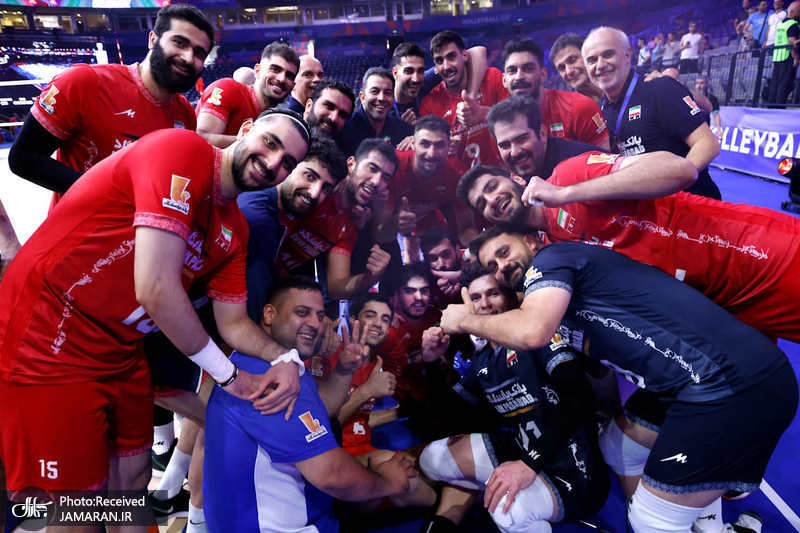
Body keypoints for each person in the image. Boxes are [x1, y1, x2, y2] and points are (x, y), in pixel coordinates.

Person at [0, 109, 311, 515]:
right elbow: (156, 289)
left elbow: (234, 323)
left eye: (287, 162)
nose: (272, 163)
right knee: (76, 503)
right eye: (270, 143)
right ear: (247, 130)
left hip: (120, 350)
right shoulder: (181, 151)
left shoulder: (235, 227)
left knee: (133, 478)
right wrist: (229, 376)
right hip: (51, 336)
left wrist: (286, 358)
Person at [444, 229, 796, 533]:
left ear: (532, 241)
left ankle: (670, 518)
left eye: (504, 252)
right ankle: (705, 523)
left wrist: (463, 320)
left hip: (728, 384)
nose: (502, 266)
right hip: (687, 382)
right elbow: (595, 369)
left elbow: (531, 331)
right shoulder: (552, 304)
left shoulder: (551, 260)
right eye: (492, 266)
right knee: (618, 446)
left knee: (650, 521)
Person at [456, 142, 800, 345]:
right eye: (481, 204)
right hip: (729, 304)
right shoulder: (552, 247)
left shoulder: (569, 174)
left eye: (492, 187)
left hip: (759, 254)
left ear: (514, 178)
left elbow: (679, 170)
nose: (492, 200)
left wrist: (566, 193)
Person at [203, 277, 417, 533]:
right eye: (302, 313)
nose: (315, 324)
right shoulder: (267, 378)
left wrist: (344, 370)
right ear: (269, 315)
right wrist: (388, 483)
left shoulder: (269, 362)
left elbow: (319, 410)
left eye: (320, 315)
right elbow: (333, 475)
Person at [419, 261, 609, 533]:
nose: (485, 304)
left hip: (575, 470)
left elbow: (580, 398)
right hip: (522, 452)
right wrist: (431, 363)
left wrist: (528, 465)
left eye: (493, 293)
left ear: (509, 296)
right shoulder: (483, 359)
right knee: (432, 458)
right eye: (476, 297)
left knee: (507, 511)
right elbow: (449, 414)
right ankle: (496, 499)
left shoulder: (536, 336)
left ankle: (521, 507)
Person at [8, 3, 211, 201]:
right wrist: (108, 196)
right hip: (83, 222)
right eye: (179, 43)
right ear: (153, 39)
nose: (188, 57)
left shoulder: (184, 113)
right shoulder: (84, 82)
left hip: (146, 224)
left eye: (199, 53)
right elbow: (23, 157)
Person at [582, 26, 722, 199]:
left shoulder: (659, 87)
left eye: (608, 54)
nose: (600, 65)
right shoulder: (602, 109)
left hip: (689, 205)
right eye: (592, 60)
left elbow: (708, 144)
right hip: (647, 209)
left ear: (627, 55)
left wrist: (672, 185)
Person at [421, 30, 509, 168]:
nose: (446, 66)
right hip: (462, 179)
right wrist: (445, 147)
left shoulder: (492, 77)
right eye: (439, 61)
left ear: (465, 55)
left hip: (504, 172)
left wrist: (483, 113)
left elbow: (516, 119)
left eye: (451, 57)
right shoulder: (429, 103)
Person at [502, 38, 609, 150]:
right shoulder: (501, 123)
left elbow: (606, 158)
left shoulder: (579, 107)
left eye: (528, 69)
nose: (519, 77)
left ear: (543, 74)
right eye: (512, 70)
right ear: (504, 80)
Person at [387, 115, 474, 251]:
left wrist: (475, 251)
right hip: (389, 233)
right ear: (413, 144)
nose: (432, 153)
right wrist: (392, 222)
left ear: (449, 146)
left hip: (431, 232)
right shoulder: (392, 166)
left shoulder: (457, 174)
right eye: (425, 144)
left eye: (439, 145)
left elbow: (467, 227)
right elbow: (373, 221)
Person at [196, 41, 299, 148]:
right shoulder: (228, 88)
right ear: (257, 71)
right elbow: (201, 138)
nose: (282, 79)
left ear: (293, 85)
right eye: (275, 69)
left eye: (289, 76)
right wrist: (256, 143)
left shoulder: (278, 119)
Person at [486, 95, 603, 182]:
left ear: (542, 133)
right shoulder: (518, 181)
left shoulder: (582, 164)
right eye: (505, 145)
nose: (514, 152)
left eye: (521, 139)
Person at [340, 67, 410, 156]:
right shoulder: (345, 129)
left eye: (387, 92)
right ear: (362, 97)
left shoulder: (399, 127)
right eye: (374, 91)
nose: (381, 98)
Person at [549, 33, 605, 105]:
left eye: (572, 61)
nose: (569, 71)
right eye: (562, 68)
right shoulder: (568, 105)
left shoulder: (615, 84)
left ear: (588, 56)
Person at [769, 1, 800, 105]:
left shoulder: (782, 23)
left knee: (775, 84)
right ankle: (779, 108)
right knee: (784, 85)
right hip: (788, 57)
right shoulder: (793, 24)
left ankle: (772, 107)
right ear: (793, 11)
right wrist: (795, 56)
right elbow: (792, 42)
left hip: (777, 56)